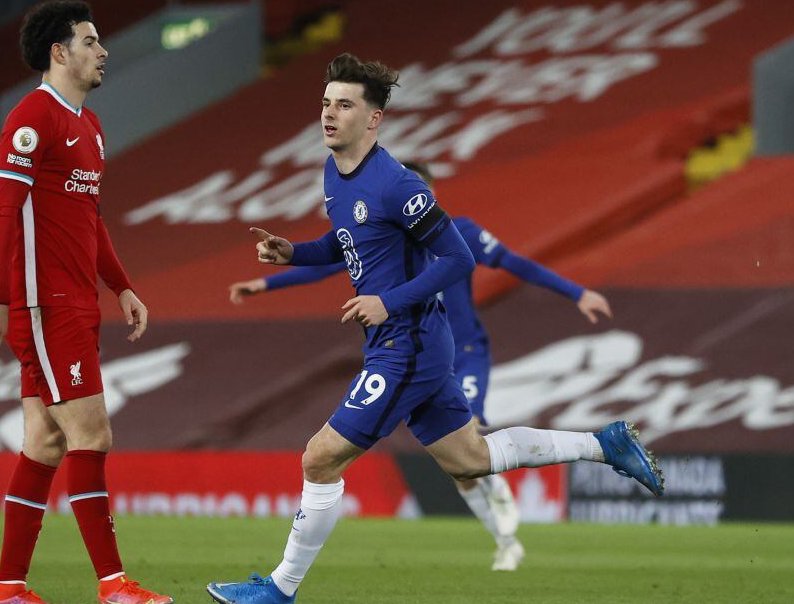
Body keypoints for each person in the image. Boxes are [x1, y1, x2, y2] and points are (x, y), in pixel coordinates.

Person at [206, 53, 663, 604]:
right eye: (325, 103)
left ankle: (280, 588)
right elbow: (347, 243)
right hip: (402, 341)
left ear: (373, 119)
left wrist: (387, 301)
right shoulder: (333, 173)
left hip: (408, 345)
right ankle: (605, 445)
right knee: (470, 459)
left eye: (344, 105)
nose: (329, 114)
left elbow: (458, 257)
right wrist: (293, 253)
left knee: (320, 459)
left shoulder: (399, 185)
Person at [228, 162, 614, 571]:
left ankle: (511, 492)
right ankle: (505, 539)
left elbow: (516, 264)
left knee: (472, 438)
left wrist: (577, 293)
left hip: (462, 351)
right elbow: (329, 260)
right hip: (419, 349)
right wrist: (266, 283)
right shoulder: (385, 238)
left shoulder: (459, 233)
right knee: (464, 465)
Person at [0, 0, 173, 604]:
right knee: (92, 433)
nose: (102, 50)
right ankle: (113, 585)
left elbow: (89, 218)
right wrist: (0, 300)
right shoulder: (31, 119)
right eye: (90, 40)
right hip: (43, 304)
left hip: (74, 300)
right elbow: (3, 212)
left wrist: (123, 285)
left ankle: (8, 592)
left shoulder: (91, 126)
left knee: (44, 443)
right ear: (60, 52)